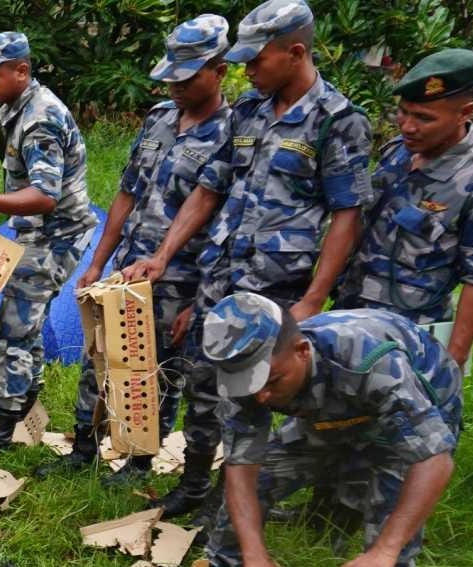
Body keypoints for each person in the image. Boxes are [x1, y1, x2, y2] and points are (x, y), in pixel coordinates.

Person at [129, 0, 374, 520]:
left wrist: (312, 297)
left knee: (252, 396)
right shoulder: (246, 111)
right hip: (219, 277)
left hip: (276, 289)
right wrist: (162, 255)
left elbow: (346, 216)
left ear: (295, 52)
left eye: (256, 60)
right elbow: (208, 191)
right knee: (201, 384)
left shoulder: (338, 121)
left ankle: (231, 502)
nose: (246, 70)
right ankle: (194, 487)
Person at [33, 15, 232, 486]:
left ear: (220, 70)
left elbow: (225, 222)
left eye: (187, 78)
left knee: (158, 372)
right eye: (171, 77)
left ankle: (139, 462)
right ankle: (85, 446)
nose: (176, 87)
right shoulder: (160, 118)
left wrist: (201, 299)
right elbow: (126, 193)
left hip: (179, 280)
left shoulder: (234, 134)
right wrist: (98, 261)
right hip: (126, 268)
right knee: (99, 357)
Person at [201, 292, 461, 567]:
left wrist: (384, 551)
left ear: (302, 351)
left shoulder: (371, 362)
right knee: (257, 487)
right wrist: (254, 555)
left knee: (388, 547)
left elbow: (434, 460)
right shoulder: (244, 378)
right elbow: (242, 471)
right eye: (250, 386)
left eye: (271, 382)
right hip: (328, 408)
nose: (261, 397)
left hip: (414, 405)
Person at [0, 32, 98, 458]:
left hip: (55, 235)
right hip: (41, 231)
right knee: (26, 320)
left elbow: (45, 195)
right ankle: (25, 398)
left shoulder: (40, 118)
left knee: (10, 329)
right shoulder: (22, 106)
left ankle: (0, 427)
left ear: (21, 71)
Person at [335, 48, 473, 368]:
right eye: (403, 112)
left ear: (464, 112)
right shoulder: (397, 153)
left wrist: (452, 361)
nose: (408, 127)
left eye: (425, 118)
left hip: (408, 338)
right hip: (348, 317)